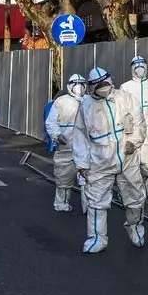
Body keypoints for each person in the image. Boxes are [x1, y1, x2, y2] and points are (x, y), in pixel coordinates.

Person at [72, 67, 148, 253]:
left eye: (105, 84)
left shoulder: (126, 98)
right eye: (98, 85)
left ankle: (135, 228)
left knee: (135, 198)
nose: (103, 87)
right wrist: (82, 164)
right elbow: (80, 136)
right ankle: (97, 238)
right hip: (99, 162)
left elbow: (140, 122)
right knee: (96, 201)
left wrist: (134, 141)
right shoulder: (86, 106)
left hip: (128, 158)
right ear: (91, 88)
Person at [119, 55, 148, 198]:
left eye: (142, 66)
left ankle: (142, 182)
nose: (140, 70)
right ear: (132, 68)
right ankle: (134, 193)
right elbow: (121, 110)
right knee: (131, 164)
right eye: (136, 67)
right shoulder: (125, 87)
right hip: (132, 132)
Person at [44, 74, 86, 212]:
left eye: (81, 83)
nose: (79, 87)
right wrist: (56, 135)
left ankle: (90, 207)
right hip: (66, 145)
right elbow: (51, 121)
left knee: (89, 179)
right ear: (70, 85)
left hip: (86, 148)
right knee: (64, 177)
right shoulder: (61, 102)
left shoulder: (89, 101)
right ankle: (61, 203)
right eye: (76, 83)